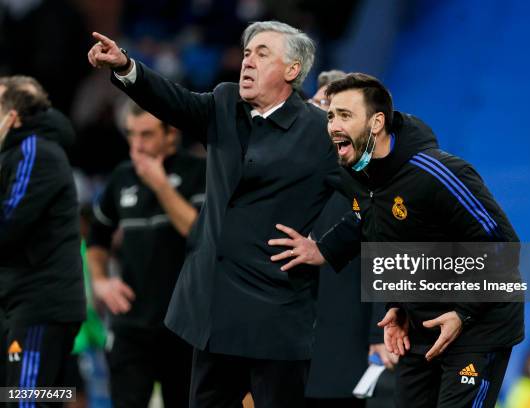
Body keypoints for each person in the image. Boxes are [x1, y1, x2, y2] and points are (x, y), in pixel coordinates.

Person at [87, 21, 340, 407]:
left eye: (262, 54)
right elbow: (171, 99)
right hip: (211, 316)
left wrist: (326, 248)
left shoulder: (322, 132)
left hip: (275, 319)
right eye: (246, 53)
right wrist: (125, 66)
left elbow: (371, 197)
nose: (248, 62)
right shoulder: (224, 103)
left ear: (292, 70)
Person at [270, 73, 524, 408]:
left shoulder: (438, 173)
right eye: (331, 116)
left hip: (478, 327)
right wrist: (394, 303)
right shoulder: (355, 176)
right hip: (418, 328)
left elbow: (504, 246)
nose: (332, 125)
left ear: (376, 122)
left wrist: (463, 312)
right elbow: (374, 222)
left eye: (345, 115)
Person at [87, 101, 205, 407]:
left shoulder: (199, 172)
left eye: (147, 135)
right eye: (131, 135)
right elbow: (97, 235)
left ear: (171, 134)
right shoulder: (122, 177)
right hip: (131, 326)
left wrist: (160, 185)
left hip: (183, 326)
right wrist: (100, 281)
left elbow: (199, 232)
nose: (137, 145)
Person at [305, 69, 395, 408]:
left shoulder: (373, 184)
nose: (331, 124)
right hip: (293, 338)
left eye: (343, 113)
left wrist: (378, 333)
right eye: (323, 110)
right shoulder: (295, 175)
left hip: (347, 341)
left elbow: (385, 257)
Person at [0, 76, 86, 401]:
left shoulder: (35, 151)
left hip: (40, 305)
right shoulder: (14, 153)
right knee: (35, 397)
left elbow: (8, 223)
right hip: (17, 301)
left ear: (14, 116)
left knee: (26, 400)